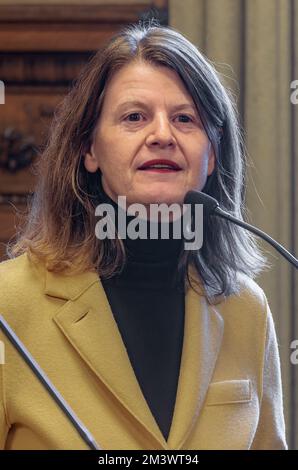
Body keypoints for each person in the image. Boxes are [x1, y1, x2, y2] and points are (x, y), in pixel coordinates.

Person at [0, 21, 287, 450]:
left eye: (185, 118)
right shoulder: (8, 305)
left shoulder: (247, 310)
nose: (162, 135)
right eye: (135, 117)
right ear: (89, 149)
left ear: (211, 154)